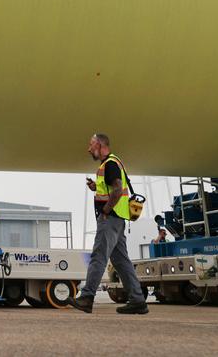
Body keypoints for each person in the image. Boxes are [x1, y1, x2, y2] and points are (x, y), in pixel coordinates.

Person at [72, 133, 148, 315]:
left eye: (91, 145)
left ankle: (87, 297)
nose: (88, 149)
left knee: (99, 256)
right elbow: (110, 189)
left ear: (99, 145)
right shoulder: (111, 163)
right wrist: (95, 188)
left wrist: (105, 211)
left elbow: (117, 190)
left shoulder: (110, 164)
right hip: (117, 219)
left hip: (110, 218)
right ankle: (138, 300)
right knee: (121, 262)